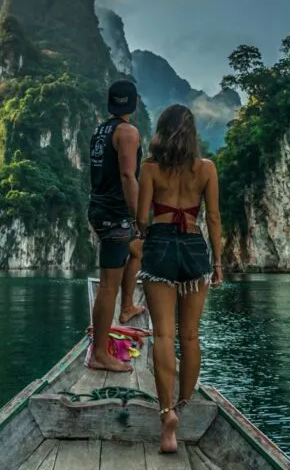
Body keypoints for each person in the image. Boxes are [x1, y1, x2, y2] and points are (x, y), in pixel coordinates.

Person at [135, 103, 223, 454]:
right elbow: (213, 218)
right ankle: (185, 404)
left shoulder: (150, 169)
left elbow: (142, 219)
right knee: (189, 335)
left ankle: (167, 414)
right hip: (194, 248)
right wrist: (218, 262)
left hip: (159, 247)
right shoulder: (206, 169)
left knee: (163, 335)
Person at [86, 79, 147, 372]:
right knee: (107, 286)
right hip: (115, 214)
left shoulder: (100, 130)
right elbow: (128, 176)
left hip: (100, 208)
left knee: (136, 251)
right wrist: (139, 217)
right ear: (133, 104)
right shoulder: (128, 132)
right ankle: (99, 353)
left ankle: (127, 307)